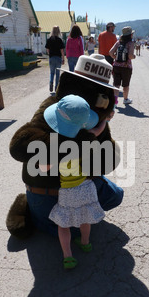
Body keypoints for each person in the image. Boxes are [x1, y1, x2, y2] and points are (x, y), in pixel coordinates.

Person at [44, 95, 106, 269]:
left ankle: (68, 256)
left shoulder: (57, 146)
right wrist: (105, 121)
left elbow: (44, 167)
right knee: (85, 218)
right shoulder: (85, 138)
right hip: (87, 187)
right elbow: (98, 130)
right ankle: (85, 243)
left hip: (68, 191)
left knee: (63, 225)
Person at [109, 26, 136, 106]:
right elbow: (130, 56)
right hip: (126, 67)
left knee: (116, 84)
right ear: (130, 35)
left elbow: (110, 52)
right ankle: (125, 99)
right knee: (125, 84)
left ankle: (115, 102)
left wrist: (116, 58)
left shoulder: (118, 42)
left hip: (116, 66)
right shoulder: (131, 43)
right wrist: (134, 56)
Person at [45, 26, 65, 92]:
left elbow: (47, 49)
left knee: (52, 73)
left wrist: (50, 54)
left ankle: (51, 82)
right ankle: (56, 87)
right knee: (57, 73)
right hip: (58, 58)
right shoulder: (60, 40)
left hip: (52, 58)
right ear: (58, 31)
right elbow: (62, 51)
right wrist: (63, 58)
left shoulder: (49, 39)